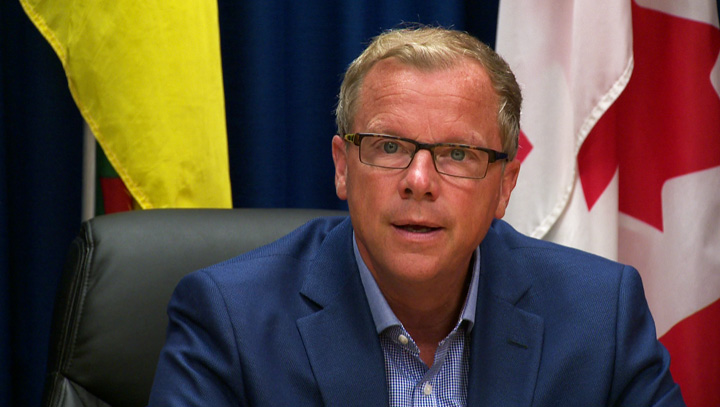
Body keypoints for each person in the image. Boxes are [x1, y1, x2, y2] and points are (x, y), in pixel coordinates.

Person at [147, 27, 685, 406]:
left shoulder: (601, 317)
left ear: (505, 187)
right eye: (388, 146)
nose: (419, 180)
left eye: (458, 153)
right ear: (343, 167)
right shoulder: (230, 320)